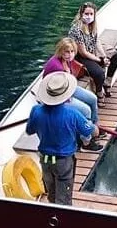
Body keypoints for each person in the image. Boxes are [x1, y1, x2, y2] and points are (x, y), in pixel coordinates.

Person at [26, 71, 99, 205]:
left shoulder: (36, 110)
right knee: (64, 198)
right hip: (63, 161)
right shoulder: (72, 113)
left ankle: (53, 209)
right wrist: (94, 127)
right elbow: (90, 131)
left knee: (51, 192)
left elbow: (29, 130)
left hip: (45, 159)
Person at [42, 38, 105, 139]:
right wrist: (68, 99)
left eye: (72, 51)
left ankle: (94, 127)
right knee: (86, 110)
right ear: (61, 51)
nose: (70, 54)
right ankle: (87, 140)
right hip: (58, 95)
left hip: (68, 88)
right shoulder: (57, 67)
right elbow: (56, 89)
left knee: (93, 99)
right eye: (67, 52)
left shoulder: (67, 60)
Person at [68, 1, 117, 103]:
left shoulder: (92, 25)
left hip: (92, 49)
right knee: (99, 73)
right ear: (81, 14)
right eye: (86, 14)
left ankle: (107, 82)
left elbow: (96, 40)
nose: (89, 16)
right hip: (80, 56)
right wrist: (100, 60)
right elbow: (83, 52)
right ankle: (99, 92)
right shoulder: (77, 29)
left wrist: (103, 56)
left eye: (91, 14)